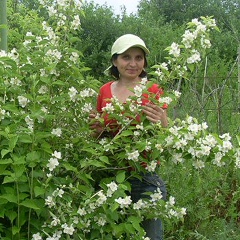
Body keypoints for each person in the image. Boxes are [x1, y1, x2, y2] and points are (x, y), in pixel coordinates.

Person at [89, 34, 168, 240]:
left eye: (139, 58)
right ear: (115, 61)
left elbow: (165, 135)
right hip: (111, 174)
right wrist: (96, 130)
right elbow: (99, 136)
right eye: (126, 57)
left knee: (150, 235)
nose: (133, 63)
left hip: (145, 175)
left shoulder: (152, 89)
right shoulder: (105, 90)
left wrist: (162, 121)